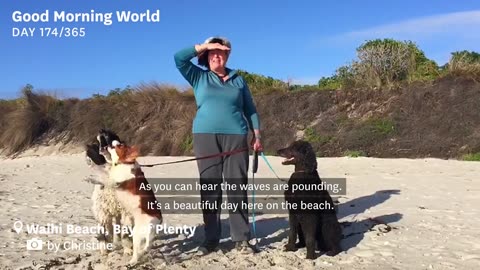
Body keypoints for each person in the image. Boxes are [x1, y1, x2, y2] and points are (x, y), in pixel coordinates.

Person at [174, 36, 263, 255]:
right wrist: (205, 46)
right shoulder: (199, 76)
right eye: (212, 52)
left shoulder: (238, 80)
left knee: (236, 187)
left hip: (236, 137)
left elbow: (250, 109)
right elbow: (179, 59)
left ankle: (241, 238)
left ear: (227, 55)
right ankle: (211, 239)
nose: (216, 55)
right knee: (210, 188)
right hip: (205, 136)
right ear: (206, 56)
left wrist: (257, 135)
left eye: (220, 52)